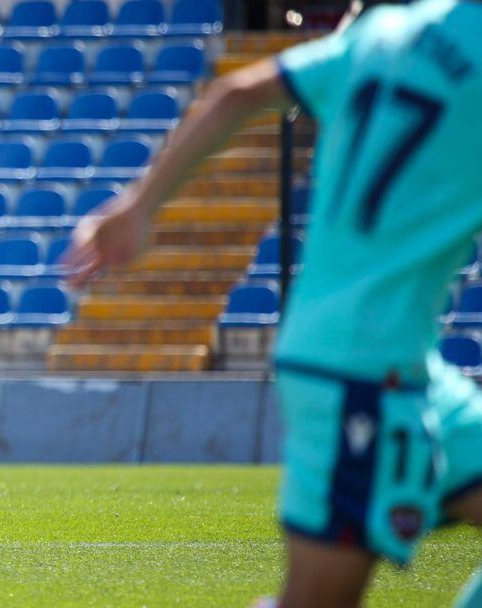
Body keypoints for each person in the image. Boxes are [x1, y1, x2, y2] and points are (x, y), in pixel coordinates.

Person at [64, 1, 482, 606]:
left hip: (388, 364)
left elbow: (237, 92)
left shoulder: (382, 31)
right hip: (362, 373)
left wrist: (138, 205)